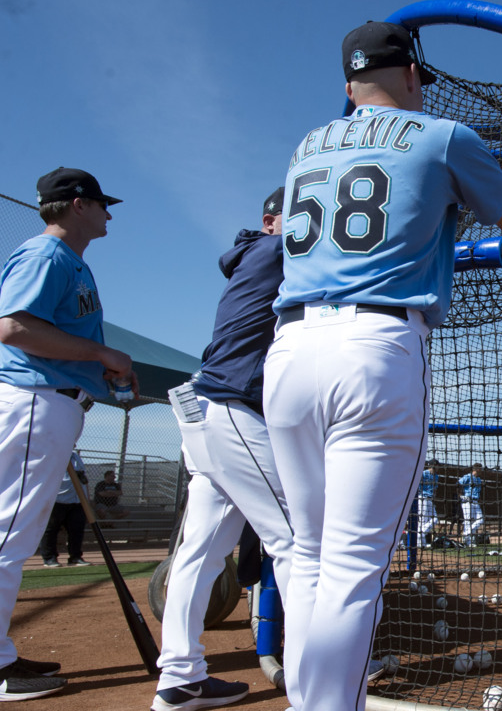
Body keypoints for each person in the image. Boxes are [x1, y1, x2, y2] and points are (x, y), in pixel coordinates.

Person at [262, 19, 502, 710]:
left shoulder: (307, 146)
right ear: (411, 76)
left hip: (287, 354)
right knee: (350, 570)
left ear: (348, 84)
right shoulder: (442, 135)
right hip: (374, 348)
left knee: (308, 561)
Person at [0, 167, 137, 702]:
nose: (108, 213)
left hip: (46, 404)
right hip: (32, 403)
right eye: (103, 204)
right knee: (5, 536)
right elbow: (14, 328)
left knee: (10, 535)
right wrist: (102, 353)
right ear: (78, 204)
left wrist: (95, 366)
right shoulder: (46, 255)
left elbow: (45, 333)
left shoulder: (68, 262)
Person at [151, 187, 296, 711]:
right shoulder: (278, 249)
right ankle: (318, 668)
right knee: (298, 542)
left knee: (202, 550)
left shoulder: (259, 252)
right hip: (235, 409)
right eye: (300, 212)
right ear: (270, 220)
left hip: (212, 412)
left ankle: (180, 678)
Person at [40, 452, 90, 568]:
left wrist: (87, 499)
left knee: (77, 530)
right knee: (51, 530)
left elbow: (83, 478)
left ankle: (75, 557)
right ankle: (49, 558)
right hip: (57, 499)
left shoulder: (76, 457)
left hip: (77, 500)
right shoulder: (53, 455)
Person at [457, 464, 486, 547]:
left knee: (480, 519)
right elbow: (458, 484)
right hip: (467, 501)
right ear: (477, 469)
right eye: (480, 469)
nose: (481, 471)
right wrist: (460, 495)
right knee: (468, 521)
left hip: (475, 501)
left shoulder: (479, 480)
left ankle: (466, 534)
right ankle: (469, 542)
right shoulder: (468, 477)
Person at [415, 463, 438, 548]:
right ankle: (421, 543)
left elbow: (435, 488)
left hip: (430, 499)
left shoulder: (436, 476)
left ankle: (420, 536)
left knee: (435, 519)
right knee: (423, 520)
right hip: (422, 498)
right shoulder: (423, 473)